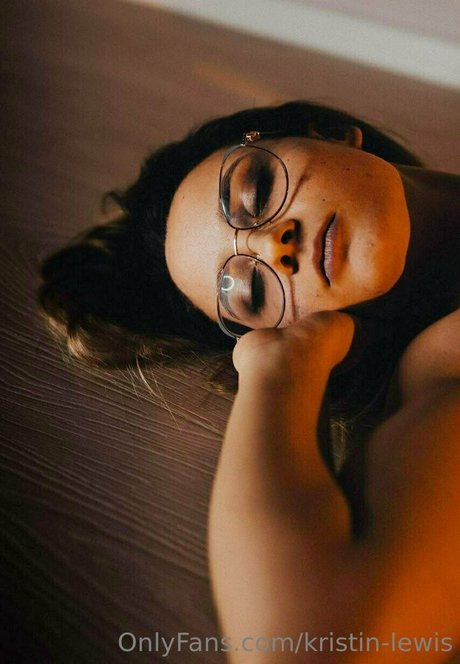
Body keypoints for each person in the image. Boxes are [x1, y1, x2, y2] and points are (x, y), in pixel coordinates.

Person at [39, 101, 460, 662]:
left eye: (256, 194)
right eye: (252, 291)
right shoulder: (443, 367)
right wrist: (276, 369)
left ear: (330, 133)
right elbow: (306, 648)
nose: (271, 247)